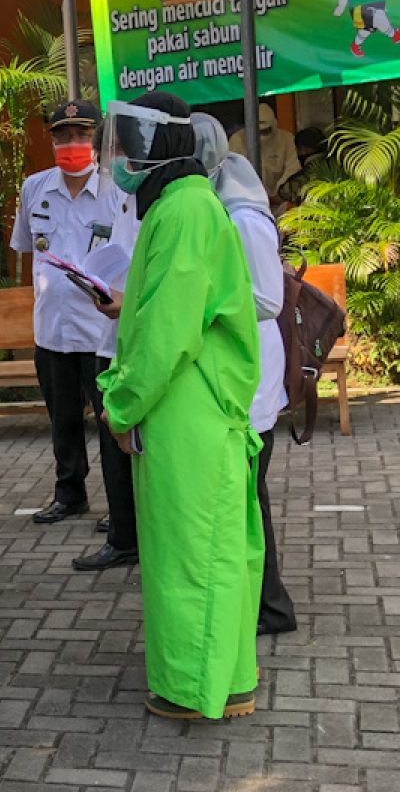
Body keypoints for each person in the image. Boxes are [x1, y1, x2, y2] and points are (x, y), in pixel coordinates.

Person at [98, 91, 263, 720]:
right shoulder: (179, 205)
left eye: (132, 143)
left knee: (196, 551)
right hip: (185, 405)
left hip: (185, 406)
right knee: (207, 546)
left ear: (162, 144)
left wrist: (122, 404)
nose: (121, 157)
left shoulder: (186, 211)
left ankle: (198, 691)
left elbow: (165, 331)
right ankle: (222, 678)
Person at [193, 113, 297, 637]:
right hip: (237, 376)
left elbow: (264, 299)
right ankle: (261, 604)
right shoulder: (216, 212)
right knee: (242, 502)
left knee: (248, 501)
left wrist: (195, 302)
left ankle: (269, 608)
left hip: (250, 380)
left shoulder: (244, 219)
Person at [10, 101, 131, 538]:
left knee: (110, 419)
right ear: (52, 140)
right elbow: (28, 248)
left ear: (97, 141)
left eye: (81, 136)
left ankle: (121, 503)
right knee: (62, 419)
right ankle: (69, 492)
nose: (72, 145)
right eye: (63, 137)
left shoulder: (119, 193)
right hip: (52, 330)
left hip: (102, 333)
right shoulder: (35, 189)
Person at [70, 190, 140, 572]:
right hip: (110, 344)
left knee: (133, 445)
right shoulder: (126, 199)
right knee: (113, 448)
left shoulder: (173, 203)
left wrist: (126, 302)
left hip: (139, 345)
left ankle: (135, 534)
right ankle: (123, 533)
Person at [229, 104, 301, 206]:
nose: (263, 134)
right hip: (250, 200)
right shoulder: (237, 140)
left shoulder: (287, 139)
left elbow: (293, 167)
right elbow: (234, 172)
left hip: (282, 199)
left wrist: (279, 192)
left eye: (267, 130)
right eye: (259, 131)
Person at [335, 0, 400, 56]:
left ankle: (356, 45)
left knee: (366, 30)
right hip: (360, 2)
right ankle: (395, 35)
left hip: (379, 0)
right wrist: (341, 5)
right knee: (378, 18)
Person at [279, 127, 328, 206]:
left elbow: (282, 195)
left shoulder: (305, 175)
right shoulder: (341, 166)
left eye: (297, 149)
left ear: (304, 149)